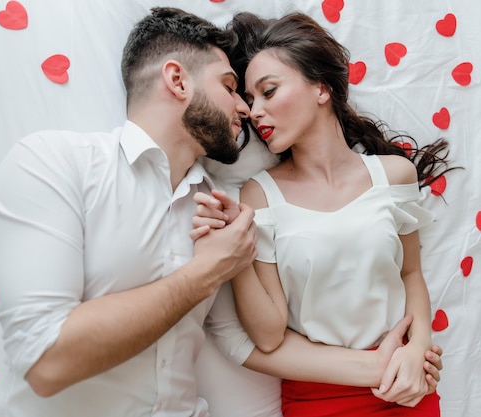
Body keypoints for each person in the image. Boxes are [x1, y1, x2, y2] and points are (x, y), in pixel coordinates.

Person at [0, 6, 443, 417]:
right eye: (231, 87)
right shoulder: (55, 163)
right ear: (177, 80)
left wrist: (405, 354)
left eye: (261, 92)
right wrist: (210, 268)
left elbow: (240, 337)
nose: (246, 108)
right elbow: (45, 361)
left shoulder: (221, 208)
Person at [191, 11, 458, 416]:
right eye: (249, 100)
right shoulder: (259, 195)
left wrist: (419, 348)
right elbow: (267, 335)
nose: (255, 112)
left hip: (407, 387)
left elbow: (410, 274)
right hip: (319, 396)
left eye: (269, 91)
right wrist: (237, 244)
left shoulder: (393, 175)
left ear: (321, 87)